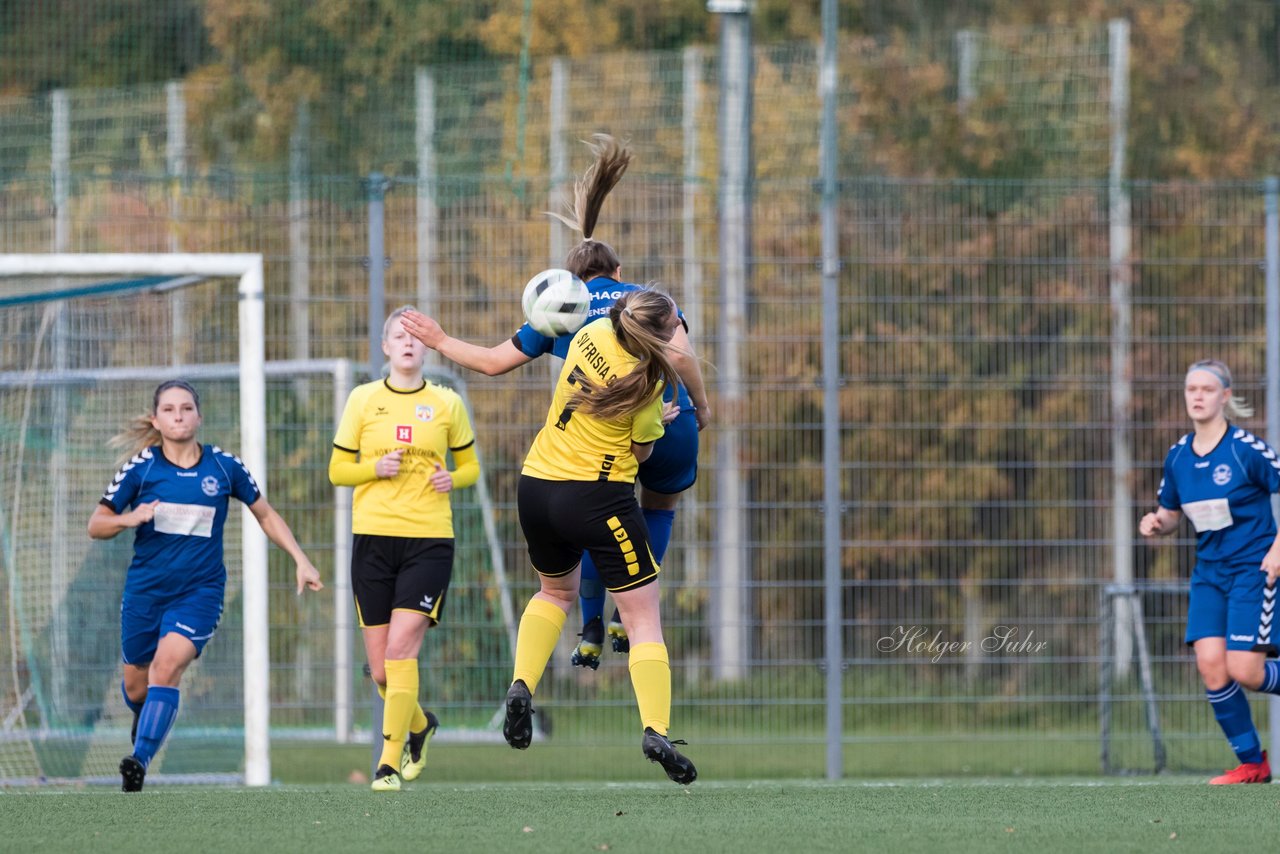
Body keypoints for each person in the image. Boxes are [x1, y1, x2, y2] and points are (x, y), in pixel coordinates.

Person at [402, 133, 711, 669]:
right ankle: (624, 616)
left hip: (594, 445)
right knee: (658, 507)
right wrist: (702, 408)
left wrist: (439, 340)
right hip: (667, 420)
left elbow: (492, 363)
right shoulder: (646, 300)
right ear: (618, 273)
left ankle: (590, 624)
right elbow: (681, 358)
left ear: (571, 278)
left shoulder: (559, 308)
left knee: (595, 517)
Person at [496, 287, 697, 784]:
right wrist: (662, 420)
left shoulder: (588, 331)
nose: (678, 333)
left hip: (536, 485)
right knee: (642, 615)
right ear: (659, 335)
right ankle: (656, 730)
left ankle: (522, 685)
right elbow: (643, 457)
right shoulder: (649, 383)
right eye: (675, 326)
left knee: (553, 592)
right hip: (595, 497)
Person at [88, 380, 323, 792]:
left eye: (186, 408)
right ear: (157, 420)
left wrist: (300, 559)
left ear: (199, 416)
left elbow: (265, 514)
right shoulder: (141, 468)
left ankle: (138, 761)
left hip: (200, 591)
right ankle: (144, 725)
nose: (178, 416)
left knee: (167, 667)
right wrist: (129, 518)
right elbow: (97, 523)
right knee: (136, 685)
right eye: (169, 410)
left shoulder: (224, 467)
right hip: (145, 592)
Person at [329, 306, 481, 791]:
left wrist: (451, 478)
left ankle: (388, 763)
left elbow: (471, 467)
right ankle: (420, 725)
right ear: (386, 346)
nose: (409, 341)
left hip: (429, 540)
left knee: (401, 651)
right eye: (400, 334)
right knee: (380, 669)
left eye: (417, 334)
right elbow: (337, 471)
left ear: (426, 346)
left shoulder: (447, 403)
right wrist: (376, 469)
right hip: (373, 539)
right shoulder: (362, 399)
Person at [1139, 359, 1280, 784]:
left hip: (1253, 571)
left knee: (1247, 671)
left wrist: (1278, 548)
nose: (1197, 396)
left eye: (1206, 388)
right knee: (1211, 666)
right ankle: (1253, 764)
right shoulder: (1178, 456)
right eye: (1191, 389)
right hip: (1209, 575)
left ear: (1224, 397)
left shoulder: (1246, 450)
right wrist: (1157, 524)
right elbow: (1171, 513)